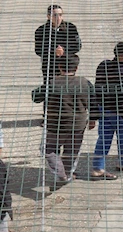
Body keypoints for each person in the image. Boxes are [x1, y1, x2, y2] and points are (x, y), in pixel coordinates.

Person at [32, 55, 95, 184]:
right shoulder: (85, 82)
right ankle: (67, 173)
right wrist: (93, 118)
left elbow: (35, 97)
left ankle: (61, 173)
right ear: (76, 68)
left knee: (48, 148)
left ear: (59, 67)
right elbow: (93, 102)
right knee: (72, 150)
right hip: (78, 124)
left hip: (56, 125)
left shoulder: (52, 82)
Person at [90, 42, 123, 180]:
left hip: (104, 110)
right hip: (121, 114)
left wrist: (93, 114)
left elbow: (96, 89)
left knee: (103, 140)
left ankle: (97, 168)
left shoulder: (103, 65)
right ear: (122, 56)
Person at [34, 5, 82, 82]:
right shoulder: (41, 31)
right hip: (50, 65)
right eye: (55, 15)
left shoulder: (71, 28)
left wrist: (63, 50)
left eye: (60, 15)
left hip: (67, 65)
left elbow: (77, 46)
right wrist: (54, 51)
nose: (58, 18)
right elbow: (38, 50)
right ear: (48, 16)